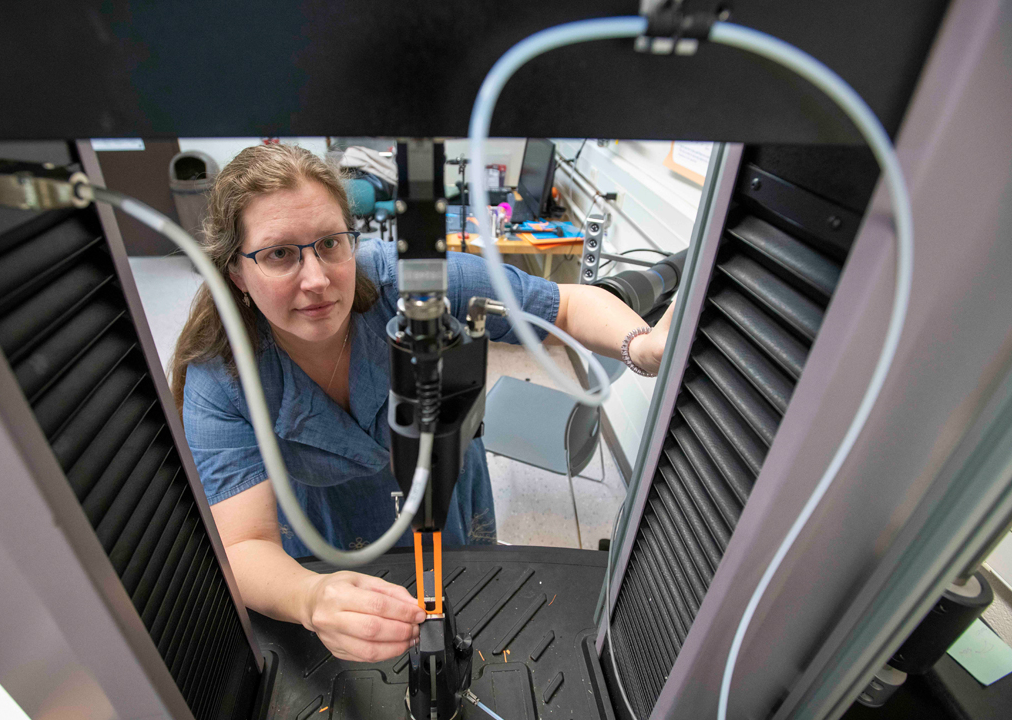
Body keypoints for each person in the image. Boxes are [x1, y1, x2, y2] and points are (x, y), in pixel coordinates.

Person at [171, 144, 675, 664]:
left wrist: (643, 347)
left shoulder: (411, 284)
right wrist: (311, 598)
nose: (316, 279)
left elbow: (565, 306)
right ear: (236, 273)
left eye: (330, 244)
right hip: (329, 536)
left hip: (447, 496)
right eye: (279, 254)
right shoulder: (221, 374)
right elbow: (244, 546)